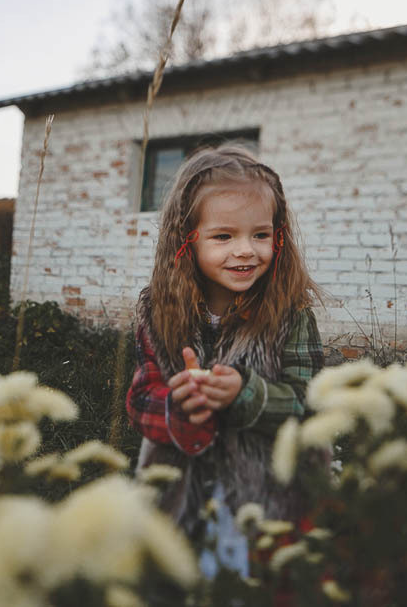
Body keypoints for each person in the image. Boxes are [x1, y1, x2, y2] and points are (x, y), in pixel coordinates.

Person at [126, 144, 324, 574]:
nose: (245, 251)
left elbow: (308, 404)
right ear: (186, 240)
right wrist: (179, 406)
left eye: (260, 234)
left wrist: (246, 393)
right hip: (178, 498)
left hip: (267, 499)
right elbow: (141, 397)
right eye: (223, 236)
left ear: (279, 236)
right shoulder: (159, 313)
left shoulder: (290, 316)